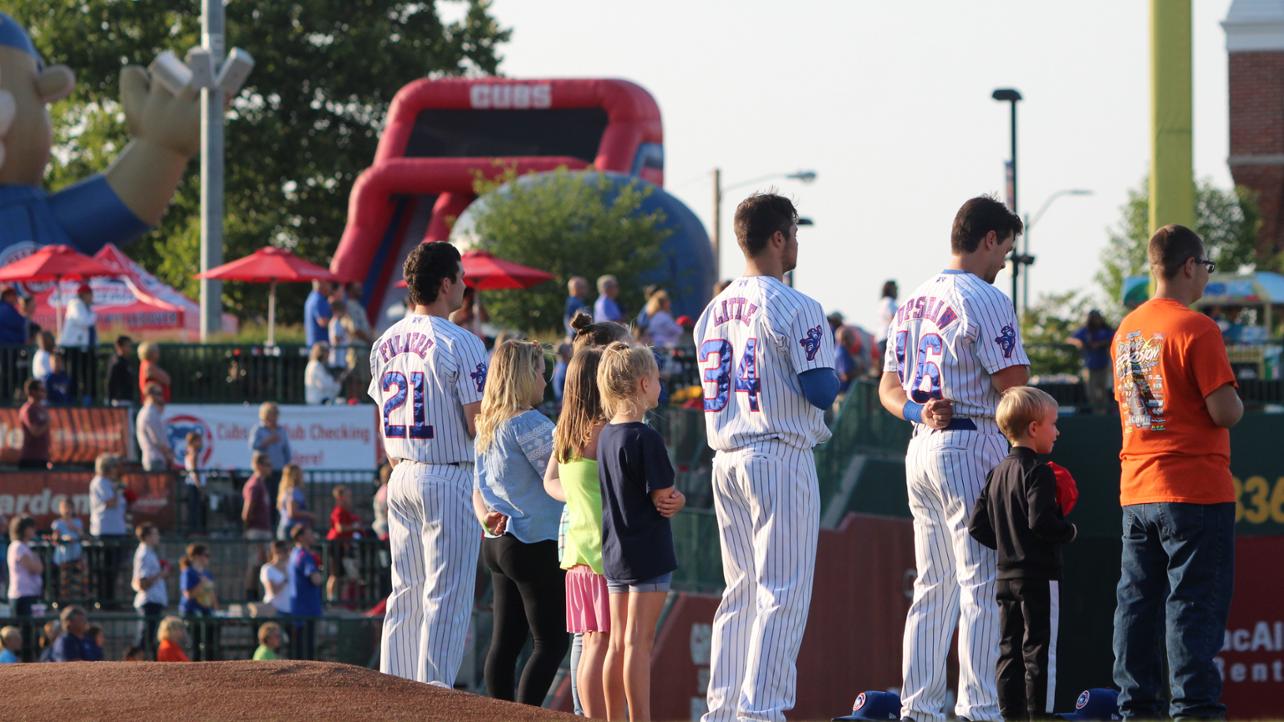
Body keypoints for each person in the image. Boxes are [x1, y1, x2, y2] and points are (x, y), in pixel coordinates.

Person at [877, 195, 1029, 722]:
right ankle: (978, 708)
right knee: (981, 581)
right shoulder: (984, 298)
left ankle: (917, 709)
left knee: (932, 587)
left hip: (920, 445)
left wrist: (916, 411)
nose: (1004, 262)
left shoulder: (912, 299)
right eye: (1004, 249)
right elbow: (1013, 384)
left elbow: (889, 387)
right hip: (971, 438)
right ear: (989, 238)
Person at [693, 193, 839, 722]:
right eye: (793, 233)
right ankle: (762, 712)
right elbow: (822, 389)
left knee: (740, 593)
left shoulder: (712, 310)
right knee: (783, 592)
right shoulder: (796, 304)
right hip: (777, 454)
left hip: (726, 458)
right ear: (777, 238)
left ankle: (724, 709)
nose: (796, 242)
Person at [1110, 225, 1244, 720]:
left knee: (1137, 607)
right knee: (1192, 606)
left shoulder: (1127, 330)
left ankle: (1137, 709)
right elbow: (1224, 411)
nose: (1206, 276)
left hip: (1137, 487)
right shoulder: (1197, 328)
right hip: (1193, 488)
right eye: (1206, 267)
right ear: (1190, 266)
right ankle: (1193, 712)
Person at [368, 241, 489, 686]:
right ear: (444, 283)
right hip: (447, 473)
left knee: (407, 593)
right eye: (460, 276)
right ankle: (431, 697)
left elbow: (382, 414)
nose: (464, 285)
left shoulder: (384, 341)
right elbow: (479, 423)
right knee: (448, 595)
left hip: (400, 473)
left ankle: (392, 693)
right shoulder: (463, 341)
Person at [967, 387, 1078, 720]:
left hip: (1006, 576)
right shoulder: (1039, 472)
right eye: (1053, 424)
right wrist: (1068, 531)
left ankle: (1009, 714)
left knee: (1008, 649)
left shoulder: (997, 473)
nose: (1056, 431)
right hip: (1039, 575)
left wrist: (1008, 546)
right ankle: (1039, 714)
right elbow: (1041, 521)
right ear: (1033, 428)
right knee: (1039, 649)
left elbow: (977, 526)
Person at [470, 340, 566, 705]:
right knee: (550, 642)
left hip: (497, 540)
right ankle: (525, 714)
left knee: (505, 643)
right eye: (542, 372)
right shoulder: (528, 422)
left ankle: (498, 713)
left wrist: (484, 515)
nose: (545, 380)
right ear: (525, 376)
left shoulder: (487, 423)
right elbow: (558, 473)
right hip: (533, 539)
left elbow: (475, 485)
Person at [595, 342, 686, 722]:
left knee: (618, 642)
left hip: (615, 550)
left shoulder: (605, 435)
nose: (661, 387)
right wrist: (677, 500)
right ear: (644, 382)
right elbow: (664, 498)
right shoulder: (645, 438)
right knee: (638, 644)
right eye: (658, 381)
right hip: (647, 550)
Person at [543, 347, 613, 719]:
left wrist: (577, 493)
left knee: (587, 642)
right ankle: (594, 714)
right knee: (602, 642)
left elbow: (550, 481)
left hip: (575, 553)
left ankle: (585, 712)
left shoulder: (566, 431)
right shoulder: (604, 432)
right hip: (602, 554)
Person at [89, 453, 128, 608]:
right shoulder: (100, 482)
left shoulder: (110, 483)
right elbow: (110, 502)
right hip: (105, 529)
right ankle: (104, 600)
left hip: (117, 528)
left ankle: (112, 598)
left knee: (115, 568)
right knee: (106, 568)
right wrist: (118, 489)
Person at [132, 523, 170, 659]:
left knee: (150, 637)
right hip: (149, 600)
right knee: (145, 638)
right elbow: (143, 583)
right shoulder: (144, 554)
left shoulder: (149, 552)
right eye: (155, 534)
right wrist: (162, 574)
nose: (157, 537)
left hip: (154, 599)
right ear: (147, 536)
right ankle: (135, 666)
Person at [7, 515, 42, 662]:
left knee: (31, 633)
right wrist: (37, 561)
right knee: (25, 633)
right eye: (30, 527)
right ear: (23, 529)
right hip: (22, 595)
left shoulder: (25, 547)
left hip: (30, 594)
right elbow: (35, 568)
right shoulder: (18, 546)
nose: (34, 530)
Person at [241, 452, 275, 600]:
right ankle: (250, 595)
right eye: (267, 464)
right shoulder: (254, 485)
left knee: (262, 563)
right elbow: (247, 511)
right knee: (254, 563)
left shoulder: (261, 484)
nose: (270, 468)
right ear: (259, 466)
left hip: (263, 530)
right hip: (257, 530)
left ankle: (257, 594)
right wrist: (249, 529)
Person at [1067, 310, 1115, 411]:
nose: (1096, 320)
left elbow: (1114, 338)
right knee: (1091, 392)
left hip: (1104, 365)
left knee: (1103, 391)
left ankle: (1103, 413)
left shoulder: (1105, 330)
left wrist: (1102, 344)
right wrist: (1078, 342)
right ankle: (1095, 412)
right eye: (1093, 318)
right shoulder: (1085, 330)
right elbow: (1070, 339)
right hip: (1089, 365)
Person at [288, 525, 323, 660]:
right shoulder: (304, 555)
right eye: (309, 533)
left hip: (298, 608)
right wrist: (320, 574)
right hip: (306, 609)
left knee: (300, 650)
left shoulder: (294, 553)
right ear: (301, 537)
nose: (313, 536)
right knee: (306, 653)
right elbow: (316, 579)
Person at [250, 402, 292, 513]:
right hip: (264, 472)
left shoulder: (281, 430)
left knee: (277, 500)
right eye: (272, 414)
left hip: (278, 470)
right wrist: (267, 441)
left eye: (276, 415)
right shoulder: (258, 429)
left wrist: (287, 466)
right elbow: (253, 445)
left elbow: (286, 451)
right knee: (264, 500)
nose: (274, 418)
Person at [58, 283, 97, 402]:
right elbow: (84, 321)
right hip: (72, 347)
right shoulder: (75, 304)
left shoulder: (85, 307)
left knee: (86, 375)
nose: (92, 298)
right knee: (73, 375)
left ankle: (87, 398)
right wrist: (93, 315)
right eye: (90, 295)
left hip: (82, 348)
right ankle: (72, 400)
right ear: (84, 295)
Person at [179, 543, 218, 660]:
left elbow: (212, 594)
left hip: (206, 611)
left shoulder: (207, 573)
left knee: (209, 643)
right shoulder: (188, 572)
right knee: (195, 644)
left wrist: (216, 608)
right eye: (205, 555)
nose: (208, 558)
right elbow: (188, 594)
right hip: (191, 611)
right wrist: (201, 583)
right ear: (196, 556)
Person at [325, 485, 360, 604]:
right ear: (340, 497)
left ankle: (343, 600)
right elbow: (339, 528)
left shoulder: (346, 511)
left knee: (343, 575)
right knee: (335, 574)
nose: (349, 498)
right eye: (347, 495)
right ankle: (331, 599)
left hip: (342, 545)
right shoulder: (338, 511)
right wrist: (354, 527)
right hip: (335, 545)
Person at [51, 498, 86, 603]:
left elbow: (81, 535)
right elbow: (55, 537)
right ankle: (64, 601)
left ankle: (81, 600)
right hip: (64, 556)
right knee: (64, 579)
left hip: (76, 554)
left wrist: (75, 528)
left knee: (80, 578)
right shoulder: (57, 523)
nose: (67, 510)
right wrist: (62, 538)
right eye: (64, 508)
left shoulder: (77, 522)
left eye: (69, 508)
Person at [137, 383, 174, 471]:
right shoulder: (150, 413)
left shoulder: (149, 412)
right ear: (150, 395)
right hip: (155, 460)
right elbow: (157, 440)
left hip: (155, 459)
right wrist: (169, 454)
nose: (161, 396)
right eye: (159, 393)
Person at [17, 379, 50, 469]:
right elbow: (35, 432)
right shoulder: (28, 409)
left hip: (42, 457)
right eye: (41, 390)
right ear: (33, 392)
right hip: (30, 459)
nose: (44, 392)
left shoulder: (42, 408)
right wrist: (47, 423)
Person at [276, 463, 313, 541]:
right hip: (291, 529)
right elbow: (292, 512)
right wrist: (309, 515)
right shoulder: (293, 491)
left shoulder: (286, 491)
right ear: (296, 476)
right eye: (300, 474)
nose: (302, 476)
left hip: (286, 528)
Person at [259, 540, 292, 616]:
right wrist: (285, 579)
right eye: (285, 551)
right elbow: (273, 591)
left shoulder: (290, 567)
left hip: (291, 610)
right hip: (275, 610)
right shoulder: (267, 569)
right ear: (276, 552)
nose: (288, 554)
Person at [184, 432, 206, 533]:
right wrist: (199, 486)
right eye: (198, 441)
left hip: (193, 484)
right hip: (194, 485)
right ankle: (195, 531)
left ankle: (194, 530)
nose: (201, 443)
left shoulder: (190, 453)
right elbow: (194, 471)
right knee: (195, 508)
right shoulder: (194, 454)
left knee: (194, 507)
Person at [105, 335, 135, 406]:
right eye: (127, 346)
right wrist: (109, 399)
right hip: (119, 401)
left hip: (127, 399)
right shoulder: (117, 362)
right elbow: (110, 381)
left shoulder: (127, 360)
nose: (130, 348)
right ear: (119, 347)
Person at [304, 279, 333, 349]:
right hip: (320, 347)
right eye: (328, 283)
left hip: (314, 345)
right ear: (322, 284)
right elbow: (323, 322)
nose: (330, 286)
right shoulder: (319, 299)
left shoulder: (312, 297)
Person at [875, 279, 899, 359]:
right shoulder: (889, 302)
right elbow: (894, 320)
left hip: (880, 337)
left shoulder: (881, 303)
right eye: (896, 289)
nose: (897, 292)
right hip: (888, 338)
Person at [329, 296, 351, 368]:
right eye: (342, 311)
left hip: (342, 358)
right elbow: (335, 338)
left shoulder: (340, 322)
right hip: (337, 359)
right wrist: (345, 336)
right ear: (336, 311)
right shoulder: (335, 322)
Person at [551, 342, 572, 406]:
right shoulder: (564, 368)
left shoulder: (558, 366)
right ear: (564, 353)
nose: (571, 349)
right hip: (565, 403)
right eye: (568, 348)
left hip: (561, 401)